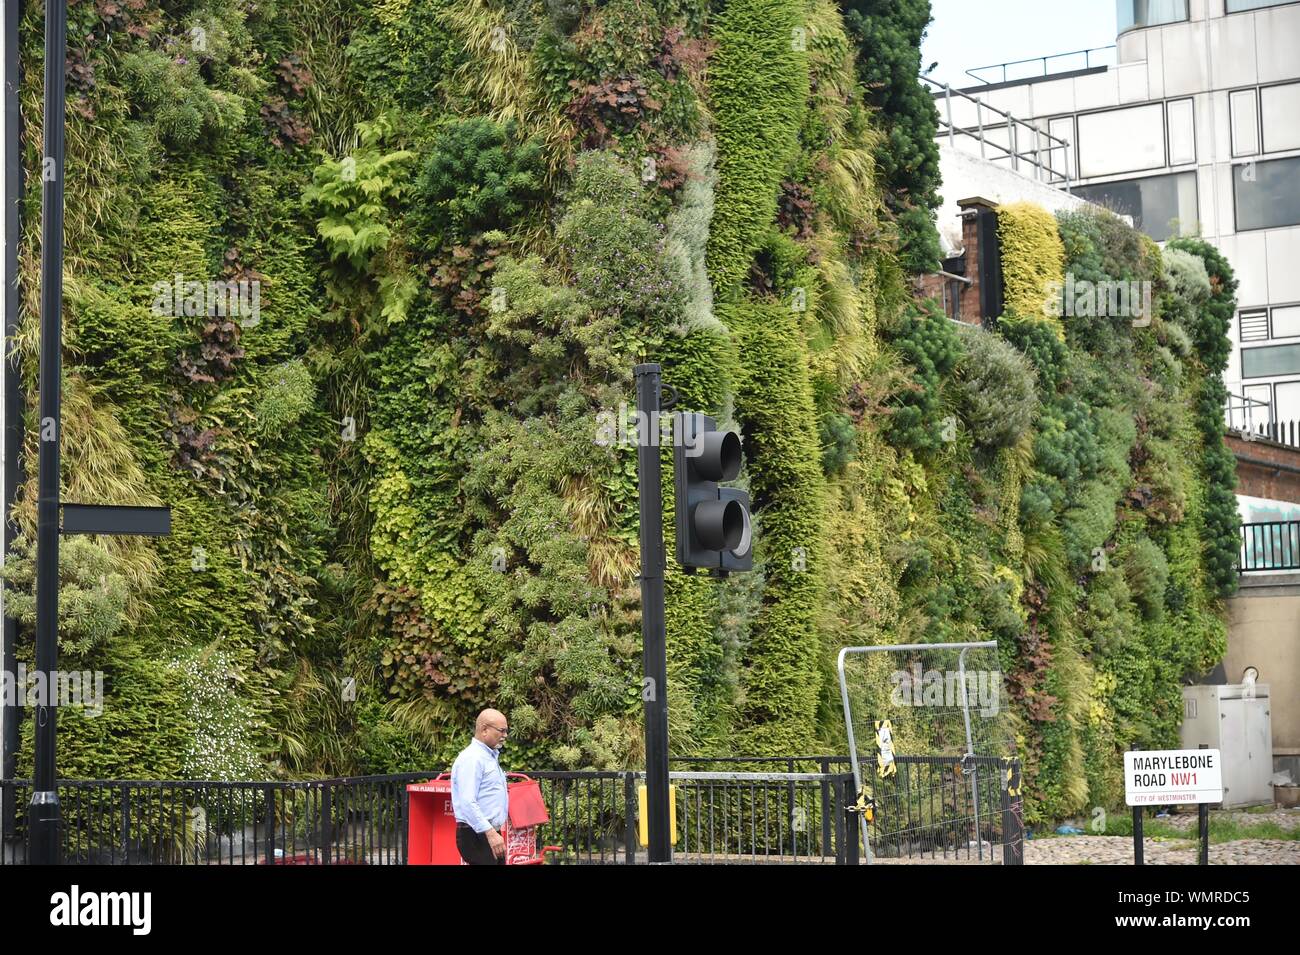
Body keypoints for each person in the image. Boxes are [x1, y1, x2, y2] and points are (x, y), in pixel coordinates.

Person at [450, 708, 510, 864]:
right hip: (477, 833)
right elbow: (468, 802)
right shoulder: (472, 758)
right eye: (501, 730)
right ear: (484, 730)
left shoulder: (487, 756)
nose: (505, 735)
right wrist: (490, 833)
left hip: (486, 831)